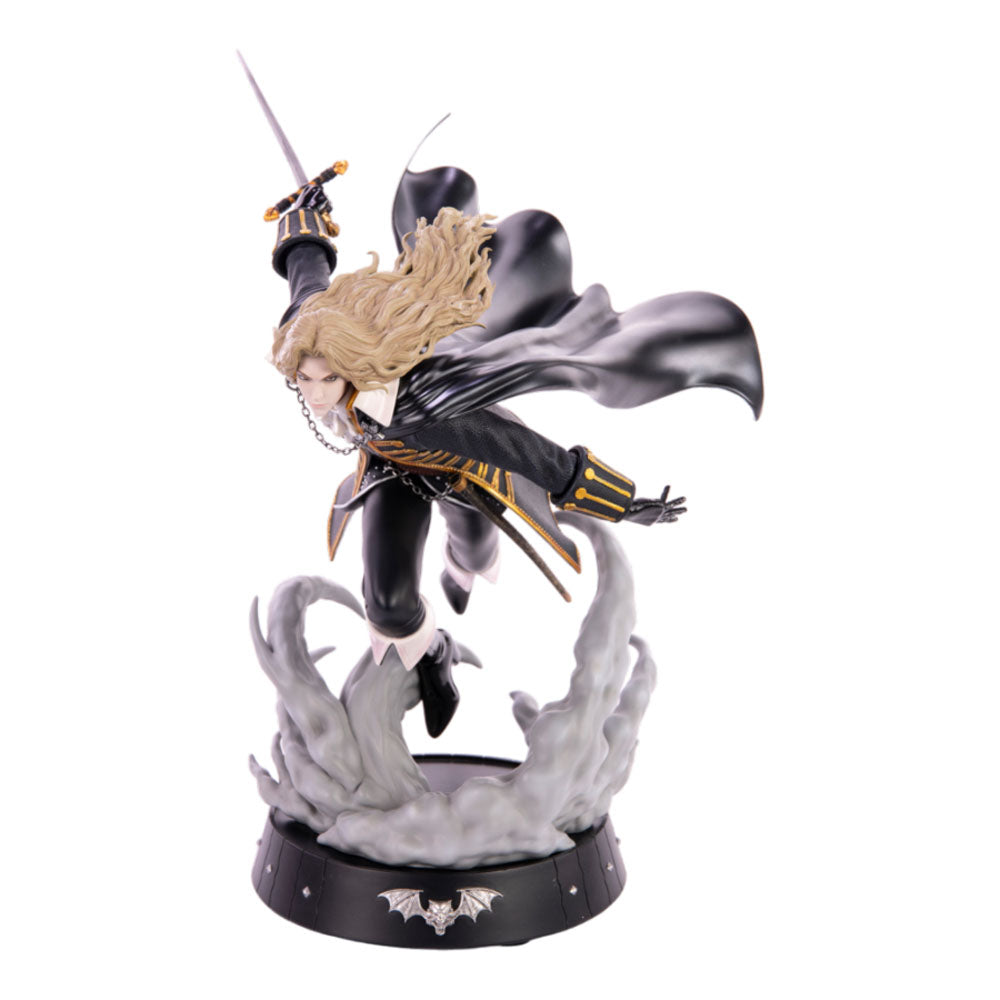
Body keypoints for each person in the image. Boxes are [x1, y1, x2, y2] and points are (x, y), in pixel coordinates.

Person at [268, 165, 763, 737]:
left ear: (355, 367)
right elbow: (308, 271)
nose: (315, 395)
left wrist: (624, 503)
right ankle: (435, 654)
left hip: (460, 470)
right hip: (388, 466)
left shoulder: (426, 404)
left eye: (327, 380)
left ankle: (465, 562)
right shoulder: (308, 330)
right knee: (386, 603)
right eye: (304, 380)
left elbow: (528, 453)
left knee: (475, 552)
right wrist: (302, 216)